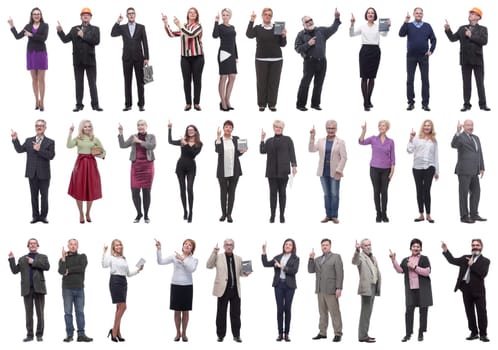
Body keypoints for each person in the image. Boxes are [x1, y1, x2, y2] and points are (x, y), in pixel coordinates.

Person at [442, 239, 490, 342]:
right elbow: (452, 260)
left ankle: (483, 334)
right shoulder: (465, 258)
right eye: (473, 245)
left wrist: (473, 264)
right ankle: (474, 332)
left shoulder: (485, 261)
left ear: (481, 247)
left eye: (477, 245)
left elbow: (483, 274)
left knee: (481, 312)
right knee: (469, 312)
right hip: (466, 289)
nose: (475, 246)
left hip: (478, 291)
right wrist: (446, 250)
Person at [57, 8, 103, 112]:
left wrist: (84, 35)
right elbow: (65, 40)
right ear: (80, 17)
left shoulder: (95, 29)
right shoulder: (74, 29)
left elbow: (96, 41)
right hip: (78, 61)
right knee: (78, 83)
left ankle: (95, 105)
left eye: (87, 15)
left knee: (92, 83)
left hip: (90, 61)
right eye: (83, 15)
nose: (85, 16)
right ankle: (79, 105)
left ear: (91, 17)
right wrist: (60, 31)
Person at [294, 9, 341, 111]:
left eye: (310, 19)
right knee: (305, 83)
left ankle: (315, 104)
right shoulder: (301, 35)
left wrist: (336, 18)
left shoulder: (321, 31)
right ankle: (300, 105)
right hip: (309, 62)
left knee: (319, 83)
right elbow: (297, 48)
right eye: (307, 21)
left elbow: (333, 29)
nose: (310, 22)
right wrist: (308, 44)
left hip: (322, 61)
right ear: (303, 24)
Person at [445, 8, 490, 111]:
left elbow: (484, 41)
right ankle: (466, 105)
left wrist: (471, 35)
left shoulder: (483, 29)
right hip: (465, 60)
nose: (470, 15)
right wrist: (448, 30)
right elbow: (452, 39)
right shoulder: (462, 28)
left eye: (473, 14)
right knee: (466, 83)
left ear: (478, 17)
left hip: (478, 60)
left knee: (480, 83)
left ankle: (483, 105)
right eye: (470, 13)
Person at [11, 119, 55, 224]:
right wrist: (15, 139)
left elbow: (51, 156)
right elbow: (19, 150)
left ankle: (43, 216)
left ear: (45, 128)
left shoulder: (50, 142)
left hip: (44, 174)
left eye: (41, 125)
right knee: (33, 196)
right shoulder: (28, 140)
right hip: (32, 173)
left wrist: (39, 149)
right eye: (37, 125)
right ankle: (35, 216)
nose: (39, 127)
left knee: (44, 196)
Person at [389, 238, 433, 342]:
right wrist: (393, 260)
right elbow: (400, 270)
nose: (416, 248)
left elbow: (427, 271)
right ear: (411, 248)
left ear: (421, 248)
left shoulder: (424, 258)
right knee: (409, 311)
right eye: (414, 246)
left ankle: (421, 332)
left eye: (418, 246)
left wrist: (414, 267)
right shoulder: (406, 259)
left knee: (423, 311)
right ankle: (408, 334)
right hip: (410, 290)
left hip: (423, 289)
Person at [207, 239, 250, 343]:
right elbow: (209, 266)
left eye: (231, 245)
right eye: (227, 245)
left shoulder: (239, 258)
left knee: (236, 314)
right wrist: (214, 252)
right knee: (221, 313)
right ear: (224, 246)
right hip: (223, 289)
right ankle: (220, 335)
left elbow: (241, 273)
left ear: (233, 246)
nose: (229, 246)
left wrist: (246, 273)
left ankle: (236, 335)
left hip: (235, 290)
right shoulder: (218, 257)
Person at [156, 238, 198, 342]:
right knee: (176, 311)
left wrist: (183, 259)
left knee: (186, 311)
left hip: (187, 286)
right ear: (182, 246)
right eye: (185, 244)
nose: (187, 246)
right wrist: (159, 249)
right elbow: (160, 262)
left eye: (190, 245)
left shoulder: (194, 260)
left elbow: (191, 269)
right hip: (176, 285)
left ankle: (184, 333)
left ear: (192, 249)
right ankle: (177, 332)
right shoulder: (174, 257)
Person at [8, 238, 50, 342]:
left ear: (37, 245)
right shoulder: (22, 259)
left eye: (34, 243)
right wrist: (12, 259)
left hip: (39, 288)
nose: (32, 245)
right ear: (28, 246)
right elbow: (15, 271)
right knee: (28, 313)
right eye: (30, 243)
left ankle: (39, 335)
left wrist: (34, 262)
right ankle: (29, 335)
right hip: (27, 289)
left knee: (40, 313)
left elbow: (47, 267)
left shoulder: (43, 257)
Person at [102, 239, 143, 342]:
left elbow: (128, 274)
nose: (119, 246)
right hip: (115, 281)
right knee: (123, 307)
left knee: (119, 308)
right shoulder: (111, 257)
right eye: (116, 245)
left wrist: (138, 270)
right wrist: (104, 252)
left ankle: (118, 332)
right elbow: (104, 265)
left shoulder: (123, 258)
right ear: (113, 247)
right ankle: (114, 331)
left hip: (123, 282)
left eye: (120, 245)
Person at [163, 8, 204, 111]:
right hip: (185, 58)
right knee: (186, 81)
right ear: (187, 15)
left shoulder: (198, 26)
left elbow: (191, 34)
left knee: (197, 80)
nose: (192, 14)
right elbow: (171, 34)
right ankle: (188, 103)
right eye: (190, 12)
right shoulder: (183, 27)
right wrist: (166, 23)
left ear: (197, 15)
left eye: (194, 12)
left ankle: (197, 103)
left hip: (197, 57)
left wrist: (179, 25)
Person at [246, 8, 287, 112]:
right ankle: (262, 104)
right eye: (265, 14)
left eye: (269, 14)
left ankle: (272, 104)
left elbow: (282, 44)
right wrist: (251, 20)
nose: (267, 16)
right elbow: (249, 35)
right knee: (261, 82)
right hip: (261, 59)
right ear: (262, 16)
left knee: (274, 82)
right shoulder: (258, 28)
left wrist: (284, 36)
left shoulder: (277, 27)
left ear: (271, 16)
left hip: (276, 59)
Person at [8, 8, 48, 111]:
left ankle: (42, 101)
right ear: (31, 15)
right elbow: (17, 36)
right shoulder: (28, 26)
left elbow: (43, 38)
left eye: (38, 14)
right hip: (31, 53)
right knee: (34, 79)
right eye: (34, 14)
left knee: (41, 79)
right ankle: (36, 100)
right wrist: (12, 25)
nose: (36, 15)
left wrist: (31, 35)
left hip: (41, 53)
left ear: (41, 15)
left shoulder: (45, 26)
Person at [350, 7, 389, 111]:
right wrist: (352, 24)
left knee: (372, 77)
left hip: (375, 51)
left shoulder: (378, 26)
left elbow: (384, 35)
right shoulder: (362, 27)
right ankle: (365, 102)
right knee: (364, 77)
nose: (370, 14)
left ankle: (369, 100)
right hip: (365, 51)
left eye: (372, 13)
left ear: (375, 15)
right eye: (369, 13)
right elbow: (351, 34)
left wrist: (387, 26)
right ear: (366, 15)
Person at [67, 119, 105, 224]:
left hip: (91, 165)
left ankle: (88, 212)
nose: (87, 128)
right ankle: (80, 213)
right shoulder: (78, 138)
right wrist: (70, 133)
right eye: (85, 126)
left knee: (91, 189)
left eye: (89, 126)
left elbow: (104, 151)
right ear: (82, 128)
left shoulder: (95, 139)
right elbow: (69, 145)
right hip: (80, 165)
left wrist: (99, 154)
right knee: (79, 188)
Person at [111, 7, 149, 111]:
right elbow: (113, 33)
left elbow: (145, 43)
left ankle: (141, 104)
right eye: (129, 14)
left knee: (140, 82)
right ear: (127, 16)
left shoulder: (141, 27)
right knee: (127, 82)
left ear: (135, 15)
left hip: (139, 58)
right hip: (127, 58)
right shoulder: (122, 28)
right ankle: (128, 105)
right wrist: (118, 21)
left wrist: (147, 57)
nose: (131, 15)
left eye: (133, 13)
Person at [309, 120, 347, 223]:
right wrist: (312, 137)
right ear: (326, 129)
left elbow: (344, 157)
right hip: (323, 171)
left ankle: (334, 216)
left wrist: (339, 170)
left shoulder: (340, 142)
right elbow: (311, 149)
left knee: (334, 194)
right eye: (329, 128)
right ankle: (328, 215)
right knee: (326, 194)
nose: (331, 130)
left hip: (335, 172)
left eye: (333, 128)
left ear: (336, 129)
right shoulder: (321, 141)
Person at [261, 239, 300, 342]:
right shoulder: (278, 257)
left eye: (290, 245)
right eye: (286, 244)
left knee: (287, 309)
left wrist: (281, 266)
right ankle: (280, 333)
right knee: (279, 309)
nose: (287, 246)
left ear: (293, 247)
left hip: (289, 286)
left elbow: (294, 271)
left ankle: (286, 334)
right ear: (283, 246)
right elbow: (266, 264)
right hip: (279, 285)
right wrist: (264, 252)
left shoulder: (296, 258)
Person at [118, 120, 156, 223]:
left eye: (142, 125)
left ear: (146, 126)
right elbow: (122, 145)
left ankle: (146, 215)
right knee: (134, 191)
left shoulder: (151, 136)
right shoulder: (133, 136)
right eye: (138, 125)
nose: (140, 126)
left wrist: (139, 141)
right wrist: (121, 133)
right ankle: (139, 213)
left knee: (146, 191)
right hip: (136, 166)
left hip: (147, 166)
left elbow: (152, 146)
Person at [399, 7, 436, 111]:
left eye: (420, 13)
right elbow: (401, 34)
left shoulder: (427, 26)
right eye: (417, 13)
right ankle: (410, 102)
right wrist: (406, 21)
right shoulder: (409, 25)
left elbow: (434, 39)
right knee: (410, 80)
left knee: (425, 80)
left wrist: (431, 50)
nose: (419, 14)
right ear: (414, 14)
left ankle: (425, 104)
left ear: (422, 14)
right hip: (411, 56)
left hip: (424, 56)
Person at [260, 120, 297, 223]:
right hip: (271, 171)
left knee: (282, 193)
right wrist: (262, 139)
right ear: (273, 128)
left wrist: (294, 166)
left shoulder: (288, 139)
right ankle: (272, 215)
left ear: (282, 129)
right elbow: (262, 151)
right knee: (272, 194)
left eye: (280, 127)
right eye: (276, 127)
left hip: (283, 171)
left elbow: (292, 153)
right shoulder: (269, 140)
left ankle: (281, 215)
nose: (278, 129)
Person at [359, 120, 395, 222]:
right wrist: (364, 131)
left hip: (386, 169)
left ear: (387, 128)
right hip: (374, 168)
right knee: (376, 191)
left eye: (383, 125)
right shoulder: (373, 139)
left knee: (384, 192)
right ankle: (378, 213)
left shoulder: (391, 141)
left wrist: (392, 172)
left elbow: (393, 157)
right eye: (380, 125)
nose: (381, 127)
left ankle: (384, 213)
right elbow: (361, 142)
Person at [308, 238, 343, 342]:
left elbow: (340, 273)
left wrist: (339, 288)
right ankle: (322, 332)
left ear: (330, 246)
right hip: (320, 290)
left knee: (334, 312)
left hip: (331, 289)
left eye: (326, 245)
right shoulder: (317, 259)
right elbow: (310, 270)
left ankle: (338, 333)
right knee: (322, 312)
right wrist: (311, 259)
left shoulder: (336, 257)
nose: (324, 246)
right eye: (323, 245)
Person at [451, 119, 485, 223]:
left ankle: (474, 214)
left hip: (475, 170)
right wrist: (457, 132)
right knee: (463, 194)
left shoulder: (476, 138)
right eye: (468, 125)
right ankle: (464, 216)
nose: (470, 127)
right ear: (464, 126)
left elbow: (479, 153)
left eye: (472, 125)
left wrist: (482, 167)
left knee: (476, 192)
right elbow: (453, 145)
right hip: (464, 170)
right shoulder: (460, 137)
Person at [58, 239, 93, 342]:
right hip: (67, 289)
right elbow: (61, 271)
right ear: (68, 246)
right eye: (71, 244)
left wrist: (69, 270)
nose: (73, 246)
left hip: (79, 288)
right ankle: (69, 335)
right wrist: (64, 259)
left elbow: (82, 267)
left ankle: (81, 335)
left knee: (80, 312)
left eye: (75, 244)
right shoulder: (63, 259)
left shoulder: (82, 256)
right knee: (68, 313)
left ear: (77, 246)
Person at [168, 121, 203, 223]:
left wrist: (186, 144)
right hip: (180, 167)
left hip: (191, 167)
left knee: (189, 189)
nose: (190, 131)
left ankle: (191, 212)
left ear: (195, 131)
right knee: (182, 189)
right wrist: (170, 129)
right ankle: (185, 211)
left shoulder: (199, 143)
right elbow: (170, 141)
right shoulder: (182, 140)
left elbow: (193, 154)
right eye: (188, 130)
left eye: (192, 130)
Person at [407, 120, 439, 223]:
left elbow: (436, 156)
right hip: (417, 168)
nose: (426, 127)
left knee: (427, 191)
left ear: (431, 127)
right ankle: (421, 214)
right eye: (425, 125)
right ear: (423, 127)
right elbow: (409, 150)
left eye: (429, 125)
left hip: (429, 167)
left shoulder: (434, 141)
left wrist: (437, 171)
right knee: (419, 191)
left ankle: (428, 215)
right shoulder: (416, 138)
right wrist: (411, 138)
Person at [215, 120, 246, 223]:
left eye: (230, 127)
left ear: (232, 129)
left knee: (232, 193)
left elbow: (238, 154)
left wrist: (243, 151)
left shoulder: (236, 139)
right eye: (226, 127)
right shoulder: (219, 140)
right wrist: (218, 138)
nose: (228, 128)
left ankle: (229, 215)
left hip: (234, 170)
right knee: (223, 193)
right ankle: (223, 214)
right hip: (222, 171)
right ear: (223, 128)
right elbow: (218, 151)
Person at [352, 239, 381, 343]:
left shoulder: (373, 257)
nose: (368, 247)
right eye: (365, 245)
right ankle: (363, 336)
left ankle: (365, 334)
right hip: (366, 288)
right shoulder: (360, 257)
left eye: (369, 245)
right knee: (365, 313)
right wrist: (356, 250)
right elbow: (354, 262)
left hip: (373, 287)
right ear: (362, 247)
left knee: (368, 313)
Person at [213, 8, 238, 111]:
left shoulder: (232, 27)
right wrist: (216, 21)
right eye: (223, 15)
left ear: (230, 16)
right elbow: (214, 36)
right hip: (223, 54)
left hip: (232, 54)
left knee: (232, 77)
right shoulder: (219, 27)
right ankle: (222, 101)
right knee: (223, 77)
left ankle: (227, 99)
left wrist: (236, 55)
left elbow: (234, 42)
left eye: (227, 15)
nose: (225, 16)